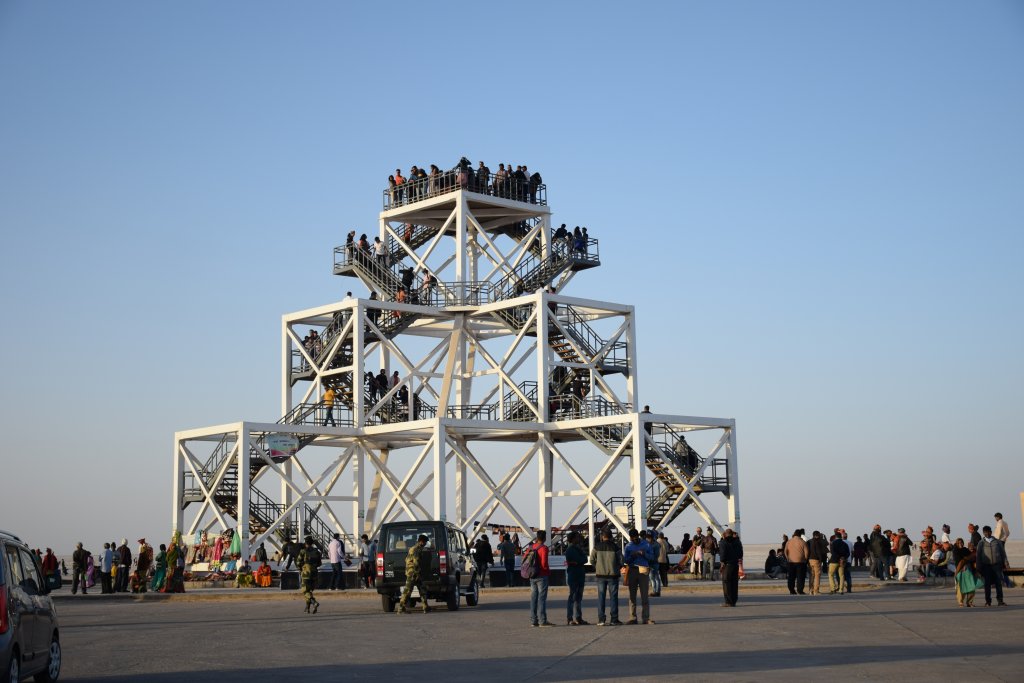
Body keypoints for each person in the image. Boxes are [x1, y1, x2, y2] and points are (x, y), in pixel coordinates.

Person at [589, 527, 623, 626]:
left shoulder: (597, 547)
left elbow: (591, 560)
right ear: (611, 536)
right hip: (613, 575)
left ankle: (601, 620)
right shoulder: (616, 547)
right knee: (613, 597)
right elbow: (621, 561)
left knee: (601, 597)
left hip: (600, 575)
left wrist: (598, 566)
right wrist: (616, 567)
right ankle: (614, 619)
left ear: (602, 536)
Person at [623, 528, 655, 624]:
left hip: (643, 570)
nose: (635, 539)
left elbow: (652, 557)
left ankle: (645, 618)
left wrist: (644, 553)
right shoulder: (628, 546)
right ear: (630, 538)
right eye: (633, 538)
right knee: (632, 596)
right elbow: (626, 560)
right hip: (632, 570)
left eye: (636, 537)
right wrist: (632, 555)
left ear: (638, 536)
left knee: (644, 595)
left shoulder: (646, 544)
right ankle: (632, 617)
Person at [525, 530, 553, 626]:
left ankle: (533, 621)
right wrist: (547, 571)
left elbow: (524, 559)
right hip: (542, 576)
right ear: (544, 538)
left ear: (537, 537)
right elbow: (544, 563)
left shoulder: (530, 547)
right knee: (541, 599)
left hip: (532, 575)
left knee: (533, 598)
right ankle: (542, 621)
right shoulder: (544, 548)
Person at [976, 525, 1009, 607]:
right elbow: (978, 556)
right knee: (987, 584)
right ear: (983, 533)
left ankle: (1000, 601)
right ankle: (988, 601)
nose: (986, 533)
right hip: (986, 566)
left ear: (991, 532)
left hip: (997, 565)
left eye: (988, 532)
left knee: (998, 583)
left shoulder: (997, 542)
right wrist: (978, 567)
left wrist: (1005, 563)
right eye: (985, 532)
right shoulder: (981, 543)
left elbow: (1003, 553)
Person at [398, 534, 431, 614]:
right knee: (408, 591)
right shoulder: (417, 549)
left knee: (422, 589)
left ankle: (425, 607)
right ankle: (401, 608)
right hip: (413, 573)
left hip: (413, 572)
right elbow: (416, 562)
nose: (426, 544)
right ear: (421, 542)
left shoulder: (413, 548)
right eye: (425, 542)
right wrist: (417, 573)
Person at [564, 531, 588, 625]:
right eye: (577, 537)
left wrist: (579, 561)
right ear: (573, 538)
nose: (579, 539)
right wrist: (579, 560)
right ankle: (570, 618)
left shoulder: (578, 548)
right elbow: (580, 560)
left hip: (580, 575)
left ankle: (578, 617)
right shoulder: (570, 550)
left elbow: (584, 559)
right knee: (573, 597)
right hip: (574, 576)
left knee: (579, 598)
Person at [297, 536, 322, 614]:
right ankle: (307, 608)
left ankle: (314, 602)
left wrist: (301, 568)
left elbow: (298, 562)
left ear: (305, 543)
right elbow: (319, 563)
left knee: (305, 591)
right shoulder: (317, 551)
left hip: (306, 573)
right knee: (309, 591)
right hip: (314, 574)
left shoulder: (303, 551)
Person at [719, 528, 743, 607]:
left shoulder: (723, 542)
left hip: (727, 565)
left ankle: (728, 602)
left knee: (726, 584)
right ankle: (733, 601)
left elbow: (722, 556)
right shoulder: (737, 542)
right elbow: (740, 554)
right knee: (734, 584)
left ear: (725, 534)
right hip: (735, 565)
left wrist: (722, 562)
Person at [784, 529, 808, 595]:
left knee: (791, 577)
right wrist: (805, 560)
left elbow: (785, 551)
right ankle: (800, 590)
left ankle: (791, 590)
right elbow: (806, 553)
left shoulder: (789, 542)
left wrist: (788, 558)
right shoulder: (803, 542)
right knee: (800, 577)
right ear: (800, 535)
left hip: (791, 562)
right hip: (800, 562)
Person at [807, 530, 828, 595]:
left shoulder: (808, 541)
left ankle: (811, 590)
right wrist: (820, 560)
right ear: (817, 535)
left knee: (811, 575)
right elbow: (819, 552)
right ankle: (816, 591)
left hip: (810, 560)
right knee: (817, 576)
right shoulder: (817, 542)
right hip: (816, 560)